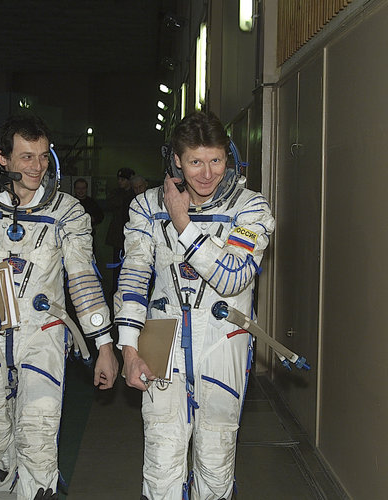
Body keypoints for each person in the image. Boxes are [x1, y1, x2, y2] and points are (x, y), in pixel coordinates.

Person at [0, 114, 118, 500]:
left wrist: (104, 345)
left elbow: (83, 280)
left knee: (38, 435)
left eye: (44, 157)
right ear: (3, 159)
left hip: (43, 335)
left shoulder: (66, 212)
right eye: (27, 157)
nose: (38, 167)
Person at [114, 111, 275, 500]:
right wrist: (128, 351)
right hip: (161, 342)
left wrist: (183, 223)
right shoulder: (146, 208)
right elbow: (134, 280)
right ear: (176, 162)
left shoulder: (251, 209)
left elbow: (233, 277)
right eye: (195, 162)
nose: (206, 174)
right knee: (161, 461)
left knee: (215, 462)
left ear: (229, 157)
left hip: (222, 345)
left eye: (215, 160)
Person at [105, 167, 135, 288]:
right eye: (119, 179)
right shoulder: (116, 193)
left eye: (123, 179)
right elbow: (111, 203)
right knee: (117, 266)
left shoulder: (134, 194)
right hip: (118, 237)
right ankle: (115, 289)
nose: (120, 182)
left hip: (131, 236)